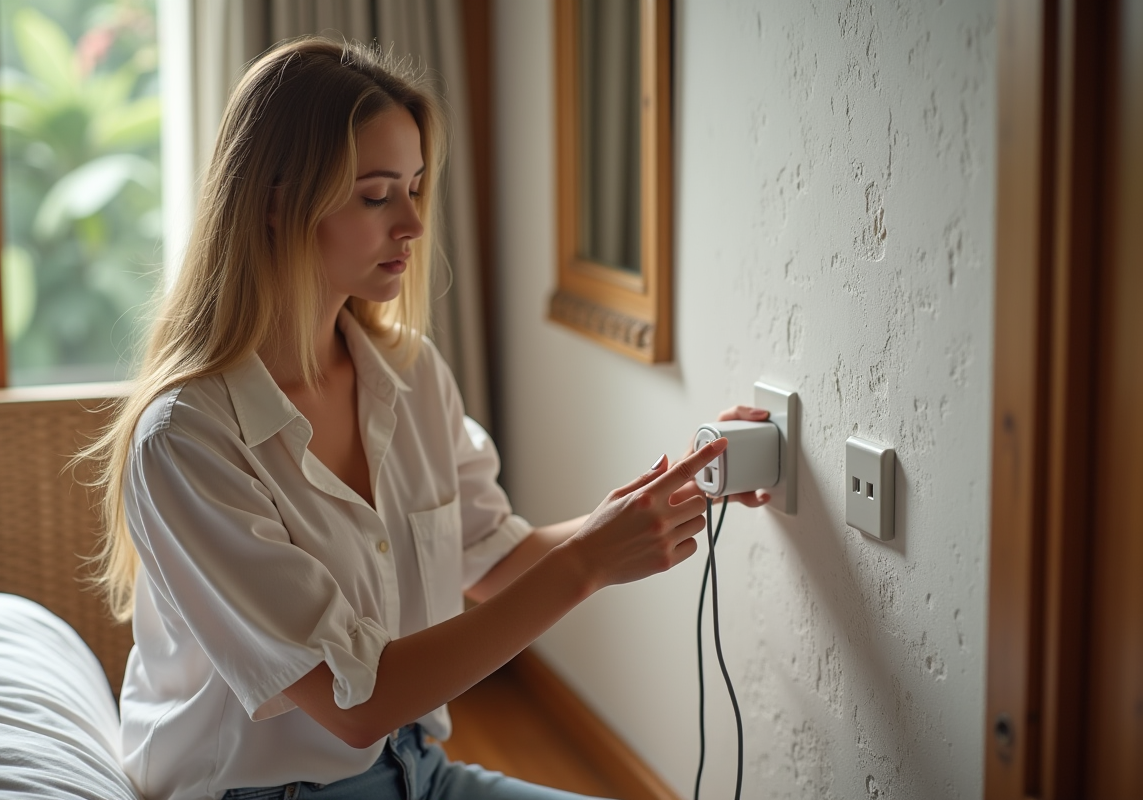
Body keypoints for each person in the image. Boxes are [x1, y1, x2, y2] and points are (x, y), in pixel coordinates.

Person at [84, 36, 769, 800]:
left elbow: (496, 557)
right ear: (276, 202)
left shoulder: (407, 374)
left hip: (416, 771)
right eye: (377, 195)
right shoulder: (186, 439)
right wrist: (589, 566)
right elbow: (356, 702)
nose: (412, 221)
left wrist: (676, 491)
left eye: (415, 187)